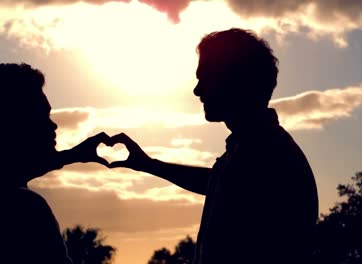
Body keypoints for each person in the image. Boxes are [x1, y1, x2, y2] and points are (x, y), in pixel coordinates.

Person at [108, 28, 319, 263]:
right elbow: (217, 181)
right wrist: (149, 165)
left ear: (236, 81)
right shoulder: (255, 150)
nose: (197, 90)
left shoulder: (265, 155)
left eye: (206, 78)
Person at [0, 62, 111, 264]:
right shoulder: (25, 209)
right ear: (16, 122)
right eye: (42, 115)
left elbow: (13, 169)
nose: (54, 124)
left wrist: (71, 156)